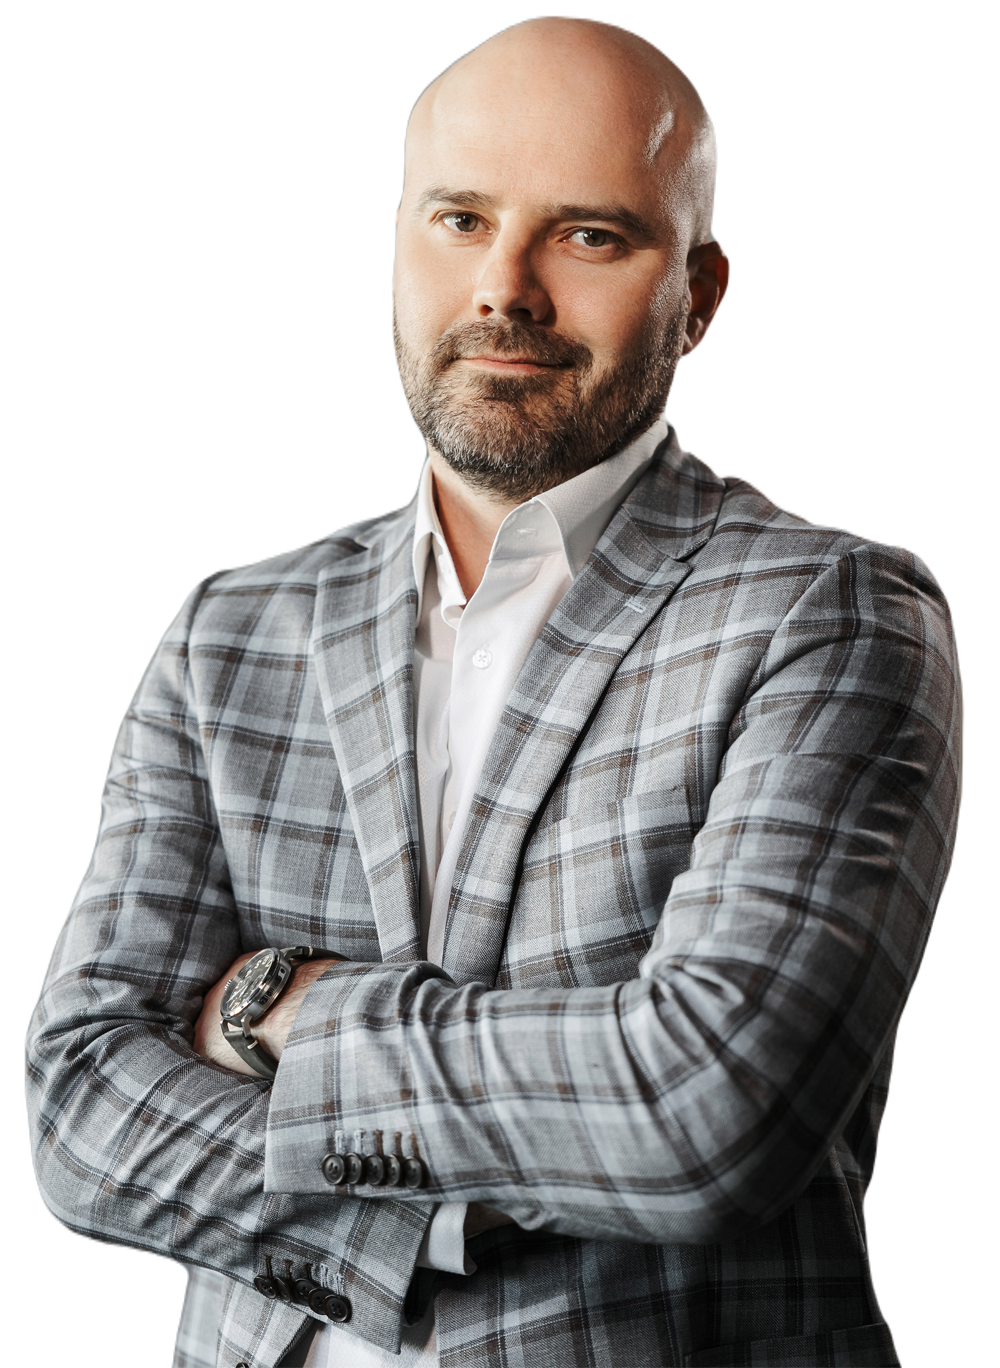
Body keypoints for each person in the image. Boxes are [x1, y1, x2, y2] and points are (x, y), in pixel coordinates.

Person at [25, 17, 960, 1368]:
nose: (504, 289)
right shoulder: (234, 630)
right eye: (460, 220)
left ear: (699, 295)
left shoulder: (830, 613)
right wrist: (431, 1219)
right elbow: (79, 1110)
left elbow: (704, 1109)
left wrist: (273, 1011)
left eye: (589, 236)